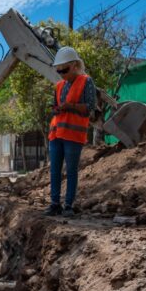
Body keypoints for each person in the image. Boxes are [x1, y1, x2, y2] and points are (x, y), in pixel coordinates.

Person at [45, 46, 96, 217]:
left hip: (73, 135)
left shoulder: (86, 81)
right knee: (54, 170)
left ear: (74, 65)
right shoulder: (59, 86)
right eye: (59, 71)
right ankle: (54, 204)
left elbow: (89, 108)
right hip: (56, 134)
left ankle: (68, 205)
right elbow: (55, 107)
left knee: (71, 170)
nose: (62, 74)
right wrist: (56, 109)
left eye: (64, 70)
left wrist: (70, 107)